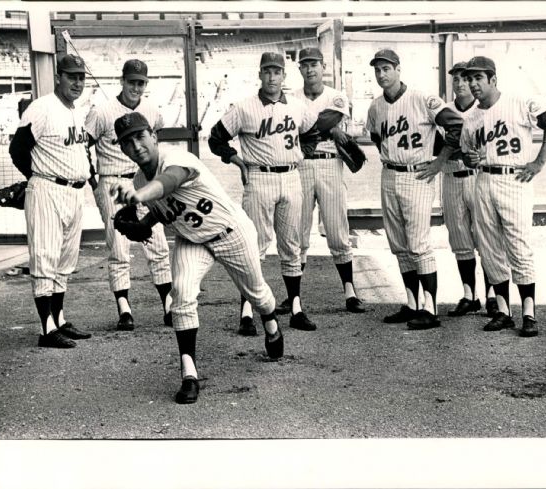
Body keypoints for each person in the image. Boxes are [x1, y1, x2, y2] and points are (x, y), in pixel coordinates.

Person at [110, 111, 284, 404]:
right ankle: (189, 373)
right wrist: (142, 224)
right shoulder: (141, 178)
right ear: (122, 148)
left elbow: (171, 181)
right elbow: (162, 206)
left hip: (231, 233)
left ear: (154, 136)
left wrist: (137, 196)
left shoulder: (177, 158)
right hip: (192, 240)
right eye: (127, 142)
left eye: (140, 136)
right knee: (182, 295)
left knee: (258, 295)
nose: (136, 145)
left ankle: (270, 321)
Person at [208, 52, 319, 336]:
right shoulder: (244, 108)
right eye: (267, 71)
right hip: (259, 177)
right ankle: (246, 312)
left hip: (291, 177)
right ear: (260, 74)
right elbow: (216, 137)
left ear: (284, 75)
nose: (272, 77)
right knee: (253, 248)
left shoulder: (297, 106)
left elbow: (312, 131)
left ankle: (295, 307)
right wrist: (235, 159)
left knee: (291, 245)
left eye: (277, 72)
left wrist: (303, 153)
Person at [460, 56, 546, 337]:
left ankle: (529, 313)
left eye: (478, 78)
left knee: (518, 244)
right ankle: (503, 312)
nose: (473, 84)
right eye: (469, 79)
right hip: (483, 180)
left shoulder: (519, 101)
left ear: (493, 79)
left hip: (514, 178)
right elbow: (467, 156)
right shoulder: (470, 118)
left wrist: (539, 163)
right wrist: (470, 158)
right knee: (489, 246)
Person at [365, 49, 463, 330]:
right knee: (398, 244)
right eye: (378, 70)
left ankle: (430, 309)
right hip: (389, 173)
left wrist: (439, 161)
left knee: (418, 243)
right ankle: (411, 304)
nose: (382, 74)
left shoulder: (422, 98)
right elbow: (375, 136)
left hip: (418, 173)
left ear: (398, 69)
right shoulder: (375, 106)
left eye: (386, 68)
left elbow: (454, 123)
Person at [8, 54, 92, 348]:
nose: (77, 82)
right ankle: (46, 330)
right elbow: (18, 149)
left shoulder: (76, 110)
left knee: (65, 260)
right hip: (47, 189)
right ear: (59, 77)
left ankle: (58, 320)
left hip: (74, 192)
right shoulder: (42, 108)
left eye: (81, 77)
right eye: (72, 76)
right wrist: (36, 178)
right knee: (45, 257)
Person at [85, 59, 172, 331]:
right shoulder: (101, 111)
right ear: (122, 81)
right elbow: (81, 147)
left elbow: (155, 142)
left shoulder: (152, 110)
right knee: (119, 247)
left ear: (146, 84)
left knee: (157, 243)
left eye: (141, 83)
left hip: (144, 181)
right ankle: (124, 308)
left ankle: (168, 304)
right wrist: (93, 182)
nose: (136, 87)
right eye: (131, 81)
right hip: (112, 181)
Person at [290, 47, 365, 314]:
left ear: (323, 67)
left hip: (330, 164)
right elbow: (314, 127)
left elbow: (319, 123)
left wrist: (326, 127)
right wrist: (327, 129)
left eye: (314, 64)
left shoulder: (337, 97)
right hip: (300, 166)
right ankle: (293, 296)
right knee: (297, 233)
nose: (310, 69)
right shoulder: (291, 98)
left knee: (337, 230)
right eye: (305, 64)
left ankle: (350, 291)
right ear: (299, 69)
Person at [438, 62, 497, 318]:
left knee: (486, 237)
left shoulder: (483, 108)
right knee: (459, 238)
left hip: (476, 176)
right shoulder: (442, 110)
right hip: (451, 176)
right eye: (456, 79)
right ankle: (468, 295)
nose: (460, 83)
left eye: (464, 78)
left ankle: (493, 295)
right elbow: (437, 145)